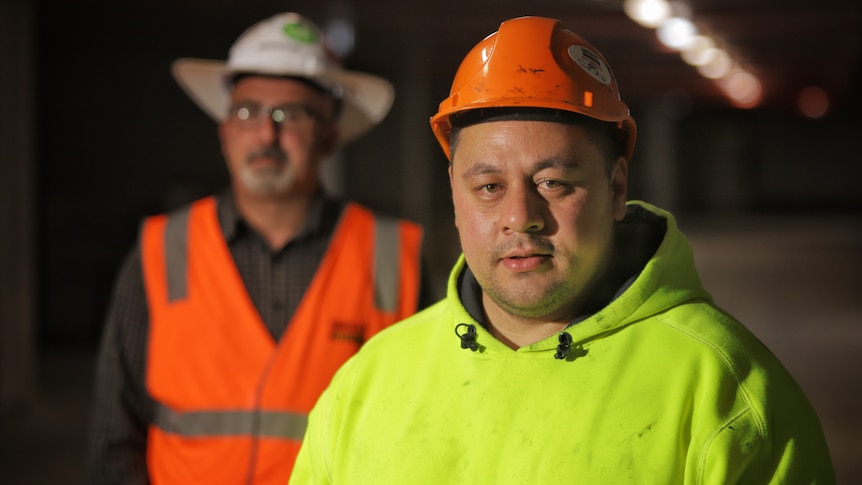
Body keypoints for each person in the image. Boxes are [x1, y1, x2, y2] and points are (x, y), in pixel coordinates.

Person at [288, 15, 836, 484]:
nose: (519, 216)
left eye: (553, 182)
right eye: (488, 187)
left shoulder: (728, 390)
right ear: (455, 196)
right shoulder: (368, 384)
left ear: (617, 187)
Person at [86, 12, 428, 485]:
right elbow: (114, 437)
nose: (266, 134)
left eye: (291, 115)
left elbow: (422, 433)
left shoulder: (394, 255)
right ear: (224, 131)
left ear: (329, 136)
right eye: (248, 112)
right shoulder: (161, 249)